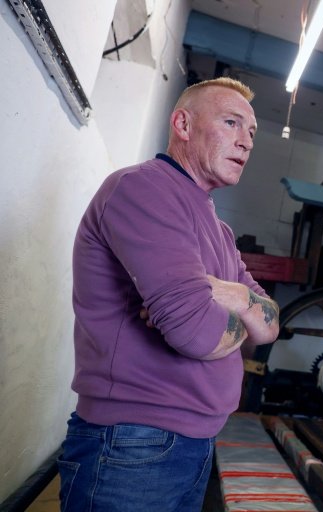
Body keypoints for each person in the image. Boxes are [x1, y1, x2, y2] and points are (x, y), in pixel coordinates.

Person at [58, 77, 280, 511]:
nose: (245, 142)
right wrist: (237, 318)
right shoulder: (144, 189)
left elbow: (270, 326)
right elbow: (196, 334)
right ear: (182, 123)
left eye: (251, 133)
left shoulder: (219, 230)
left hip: (193, 442)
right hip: (133, 443)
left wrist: (231, 294)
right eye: (231, 122)